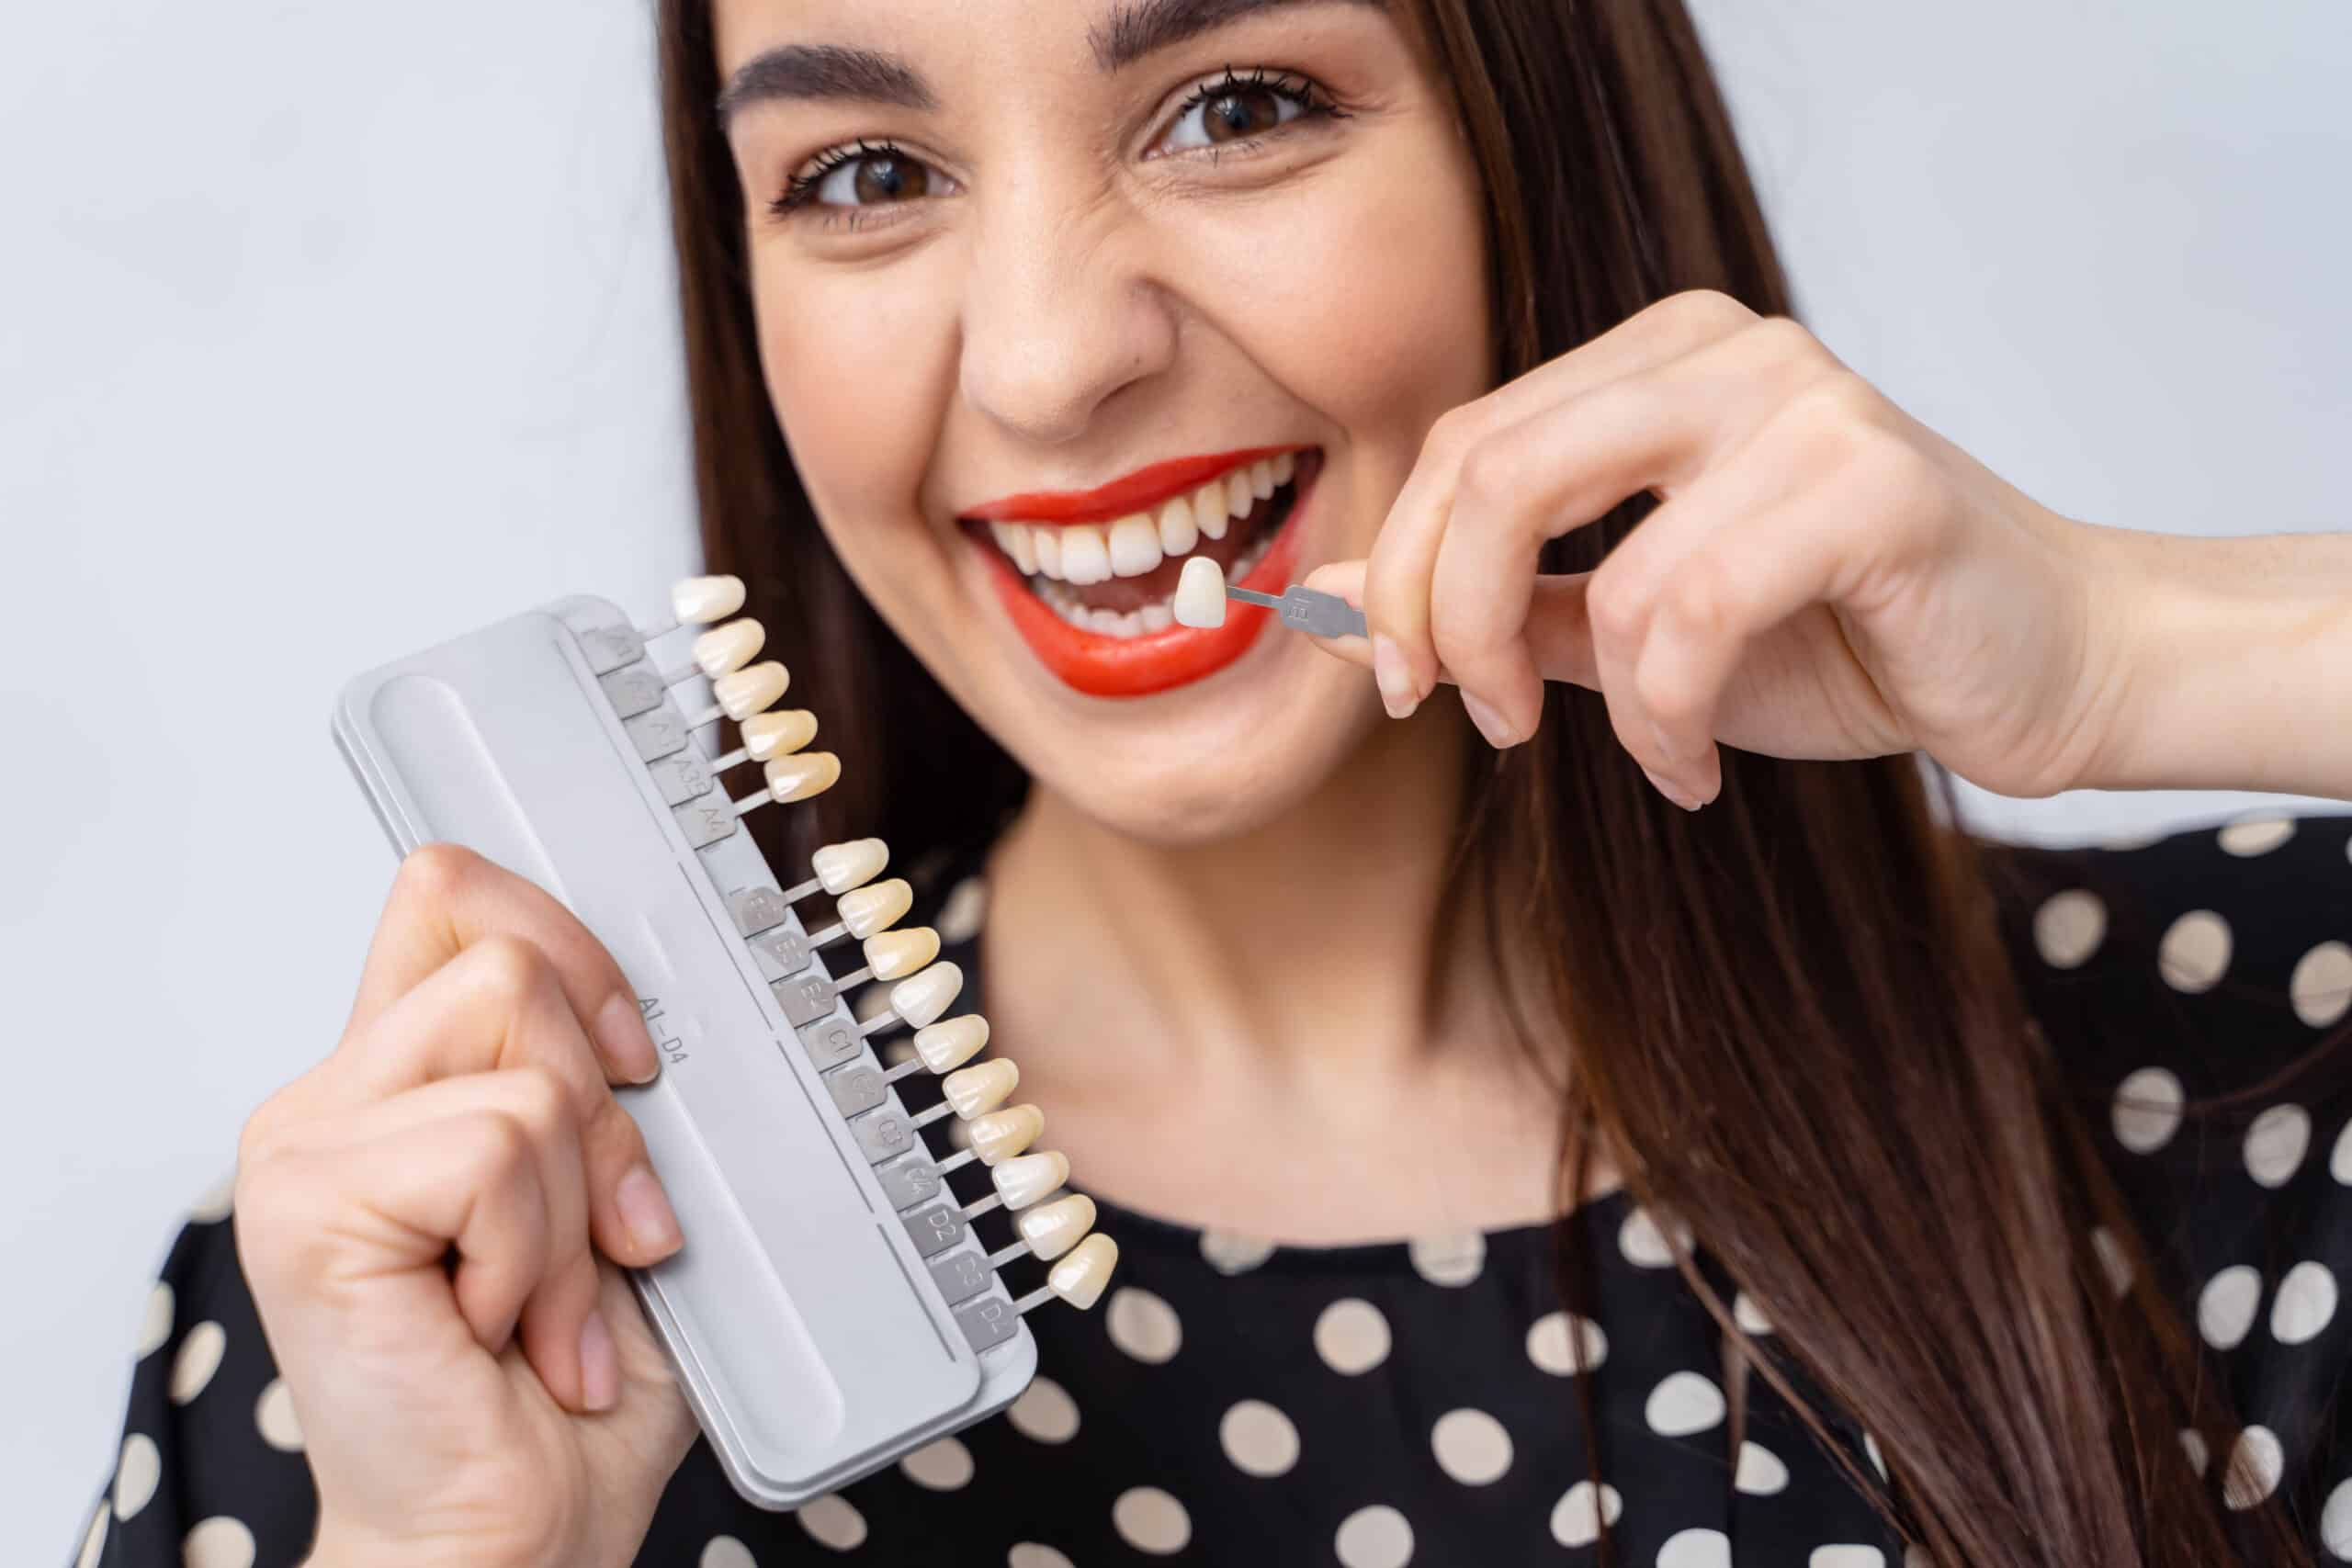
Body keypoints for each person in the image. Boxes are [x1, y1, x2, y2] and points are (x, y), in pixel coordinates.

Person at [69, 1, 2352, 1564]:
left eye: (1234, 105)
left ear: (1526, 130)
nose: (1056, 359)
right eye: (864, 171)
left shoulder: (2262, 1076)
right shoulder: (410, 1354)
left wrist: (2143, 646)